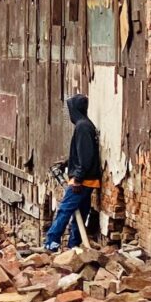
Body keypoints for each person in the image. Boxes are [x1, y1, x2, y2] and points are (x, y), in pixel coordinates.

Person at [44, 94, 100, 251]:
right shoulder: (87, 125)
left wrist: (77, 178)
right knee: (80, 214)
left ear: (75, 110)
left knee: (65, 210)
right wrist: (67, 163)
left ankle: (52, 242)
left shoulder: (82, 127)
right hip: (89, 180)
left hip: (82, 181)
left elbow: (86, 156)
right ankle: (74, 246)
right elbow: (82, 153)